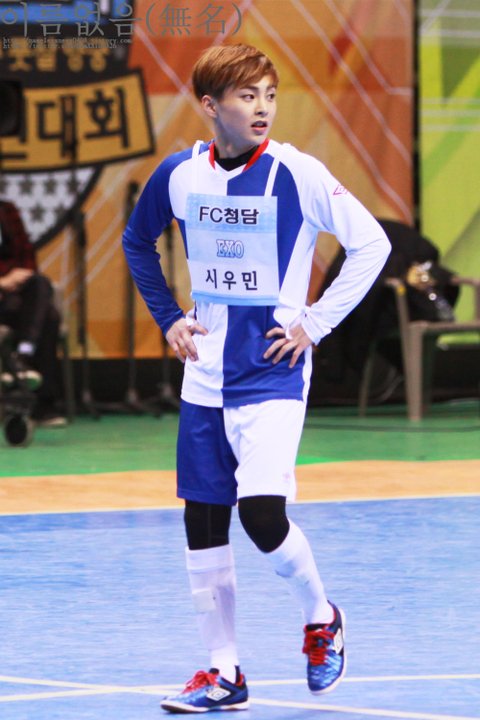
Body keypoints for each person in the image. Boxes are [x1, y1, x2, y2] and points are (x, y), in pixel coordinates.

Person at [123, 44, 391, 713]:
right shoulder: (180, 174)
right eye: (247, 96)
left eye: (269, 94)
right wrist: (168, 318)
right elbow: (136, 241)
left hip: (273, 374)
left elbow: (372, 244)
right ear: (210, 106)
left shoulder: (297, 173)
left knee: (261, 515)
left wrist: (314, 323)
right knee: (203, 522)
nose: (262, 107)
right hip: (204, 377)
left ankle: (322, 616)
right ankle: (224, 674)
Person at [0, 198, 66, 426]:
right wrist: (3, 282)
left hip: (15, 298)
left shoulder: (6, 210)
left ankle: (22, 355)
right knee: (48, 317)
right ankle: (43, 404)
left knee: (39, 285)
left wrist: (17, 281)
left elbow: (27, 255)